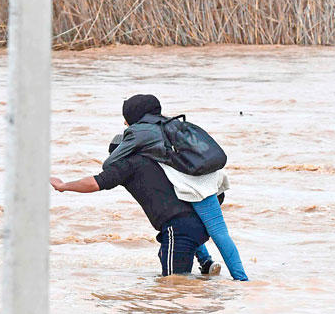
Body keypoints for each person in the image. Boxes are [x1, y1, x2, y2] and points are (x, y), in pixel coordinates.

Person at [105, 94, 249, 281]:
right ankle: (206, 262)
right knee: (187, 223)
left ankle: (242, 280)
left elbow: (110, 163)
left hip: (197, 187)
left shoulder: (139, 132)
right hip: (206, 178)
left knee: (217, 232)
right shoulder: (167, 123)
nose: (125, 123)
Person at [50, 133, 219, 278]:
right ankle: (207, 269)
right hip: (194, 220)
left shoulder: (128, 165)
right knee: (174, 278)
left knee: (174, 285)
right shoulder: (154, 159)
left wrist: (63, 186)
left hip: (177, 227)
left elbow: (94, 183)